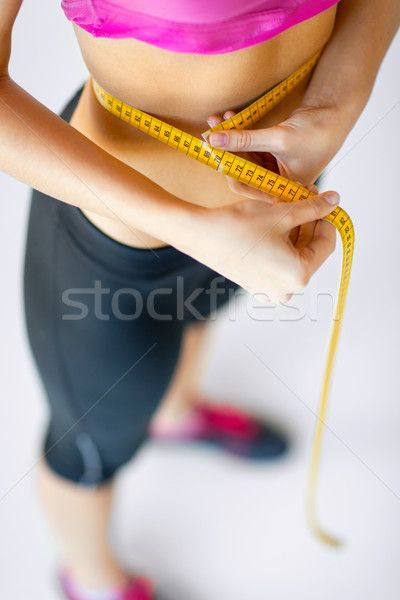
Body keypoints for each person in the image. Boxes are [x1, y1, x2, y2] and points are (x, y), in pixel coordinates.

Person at [1, 1, 399, 599]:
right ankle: (93, 579)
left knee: (197, 319)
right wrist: (192, 227)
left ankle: (175, 414)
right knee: (89, 451)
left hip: (260, 212)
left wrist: (341, 100)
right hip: (114, 235)